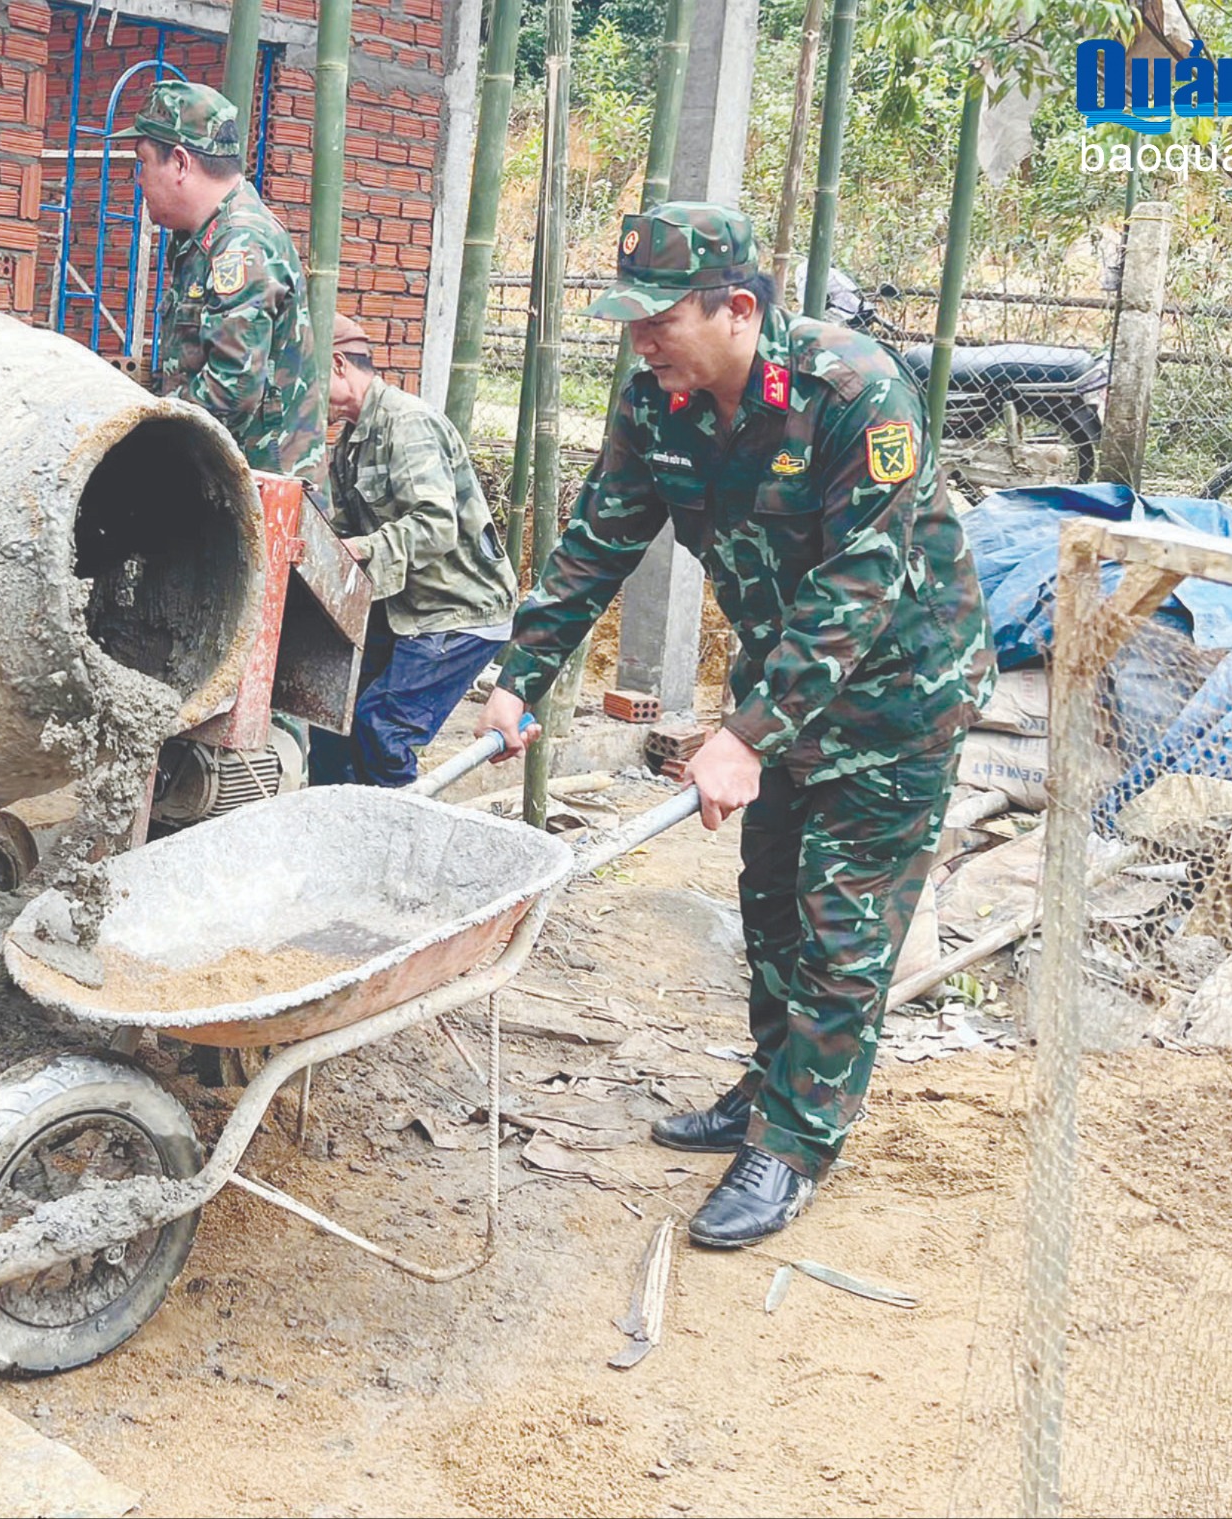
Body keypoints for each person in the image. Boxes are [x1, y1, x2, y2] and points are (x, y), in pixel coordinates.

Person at [477, 202, 993, 1250]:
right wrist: (518, 675)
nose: (641, 340)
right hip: (782, 689)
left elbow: (862, 583)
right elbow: (596, 543)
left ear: (739, 310)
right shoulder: (656, 405)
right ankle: (770, 1092)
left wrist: (744, 735)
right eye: (631, 322)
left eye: (658, 318)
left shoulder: (854, 394)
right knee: (771, 908)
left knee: (842, 933)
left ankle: (797, 1144)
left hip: (898, 696)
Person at [310, 314, 517, 787]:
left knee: (382, 729)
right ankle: (337, 831)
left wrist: (356, 549)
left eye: (309, 379)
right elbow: (345, 526)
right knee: (331, 716)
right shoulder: (350, 442)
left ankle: (400, 834)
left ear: (339, 365)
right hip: (406, 605)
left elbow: (436, 526)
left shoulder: (408, 424)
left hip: (459, 611)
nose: (304, 396)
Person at [117, 79, 323, 481]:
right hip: (225, 478)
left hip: (264, 489)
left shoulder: (241, 244)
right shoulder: (203, 237)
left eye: (141, 162)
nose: (137, 179)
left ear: (179, 163)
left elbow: (232, 388)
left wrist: (141, 439)